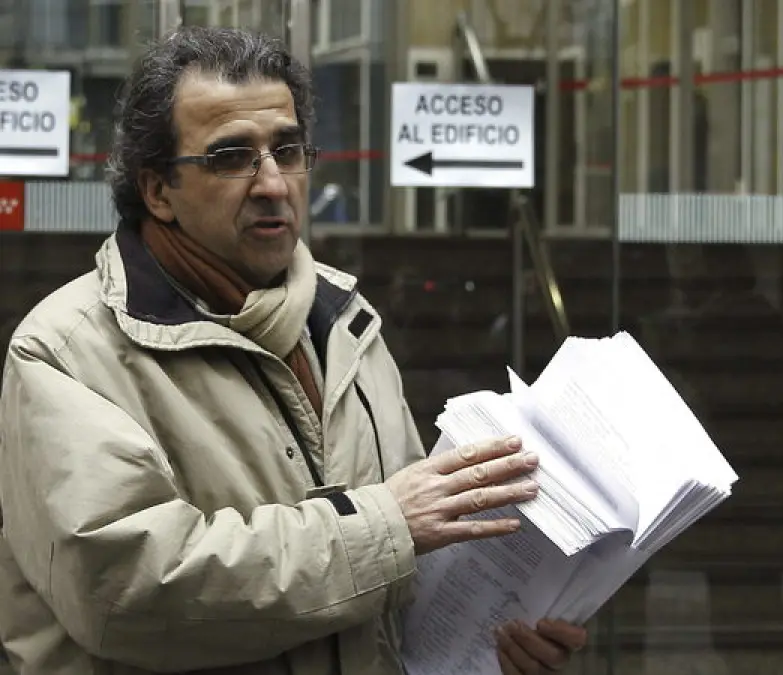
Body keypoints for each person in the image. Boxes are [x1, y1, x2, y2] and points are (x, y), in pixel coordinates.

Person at [0, 26, 587, 674]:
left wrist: (491, 643)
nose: (274, 183)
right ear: (157, 190)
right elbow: (127, 591)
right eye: (231, 157)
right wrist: (384, 527)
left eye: (287, 149)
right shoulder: (66, 353)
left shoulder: (344, 323)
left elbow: (404, 569)